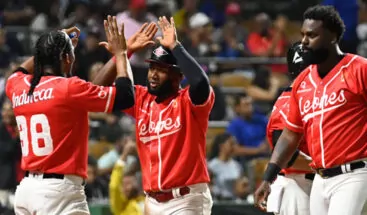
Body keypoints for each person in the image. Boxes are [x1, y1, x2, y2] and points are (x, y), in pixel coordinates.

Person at [5, 16, 135, 215]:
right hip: (59, 192)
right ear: (66, 59)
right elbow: (126, 96)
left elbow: (18, 70)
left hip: (27, 189)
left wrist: (56, 39)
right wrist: (122, 54)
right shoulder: (69, 87)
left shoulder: (18, 86)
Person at [94, 16, 214, 215]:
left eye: (162, 70)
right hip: (152, 201)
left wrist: (176, 46)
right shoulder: (141, 99)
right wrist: (124, 53)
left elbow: (201, 83)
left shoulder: (189, 102)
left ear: (178, 76)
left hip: (186, 200)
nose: (153, 74)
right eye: (152, 67)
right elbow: (96, 90)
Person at [255, 5, 367, 215]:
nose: (304, 42)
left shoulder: (359, 69)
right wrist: (268, 177)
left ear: (332, 37)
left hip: (354, 173)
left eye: (312, 35)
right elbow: (290, 134)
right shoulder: (302, 82)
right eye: (303, 35)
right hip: (320, 179)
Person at [263, 42, 314, 215]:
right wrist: (328, 164)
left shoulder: (308, 99)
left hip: (313, 184)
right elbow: (287, 157)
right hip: (296, 188)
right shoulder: (288, 103)